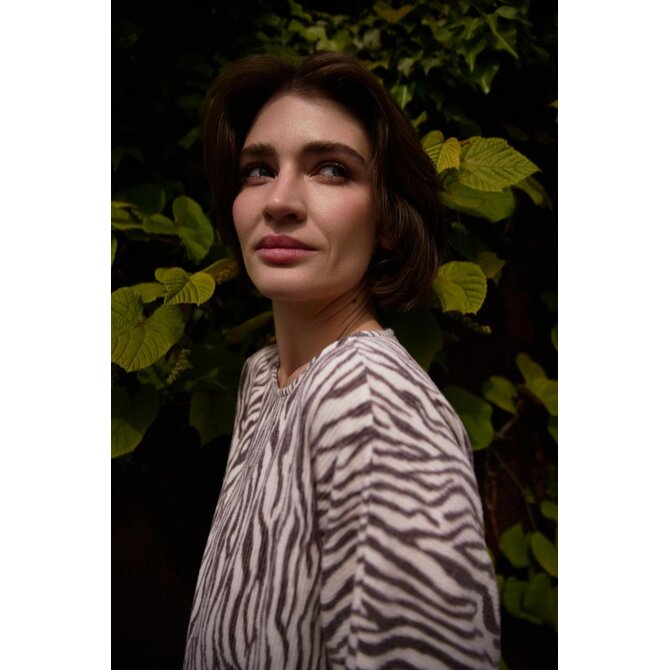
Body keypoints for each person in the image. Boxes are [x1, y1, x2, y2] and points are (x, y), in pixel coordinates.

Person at [183, 52, 500, 670]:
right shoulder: (266, 376)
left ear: (388, 220)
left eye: (332, 169)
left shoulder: (372, 404)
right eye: (257, 170)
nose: (280, 200)